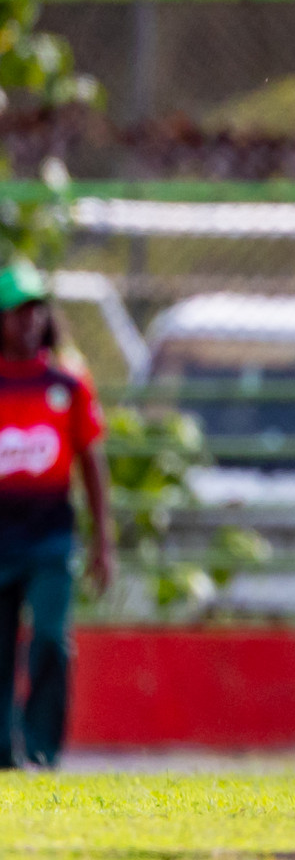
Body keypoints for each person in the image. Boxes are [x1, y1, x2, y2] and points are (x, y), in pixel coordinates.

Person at [0, 257, 113, 769]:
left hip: (49, 540)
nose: (28, 321)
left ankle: (42, 751)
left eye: (35, 310)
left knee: (49, 636)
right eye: (16, 312)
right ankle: (4, 755)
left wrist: (103, 542)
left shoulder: (67, 382)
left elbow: (91, 461)